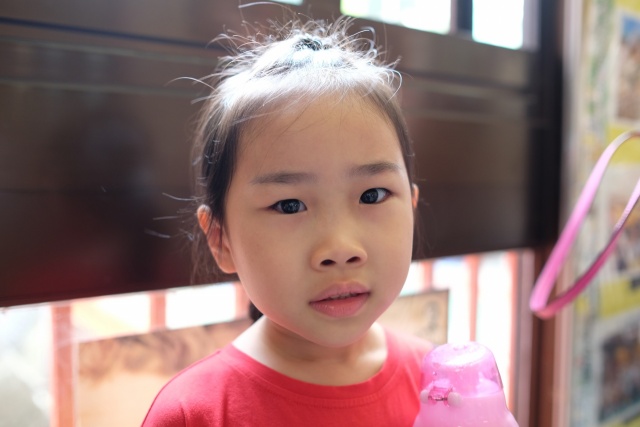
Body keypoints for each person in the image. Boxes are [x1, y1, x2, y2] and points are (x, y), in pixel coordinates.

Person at [142, 15, 432, 427]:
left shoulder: (437, 385)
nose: (340, 248)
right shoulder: (194, 414)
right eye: (290, 205)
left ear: (412, 207)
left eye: (372, 195)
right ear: (221, 240)